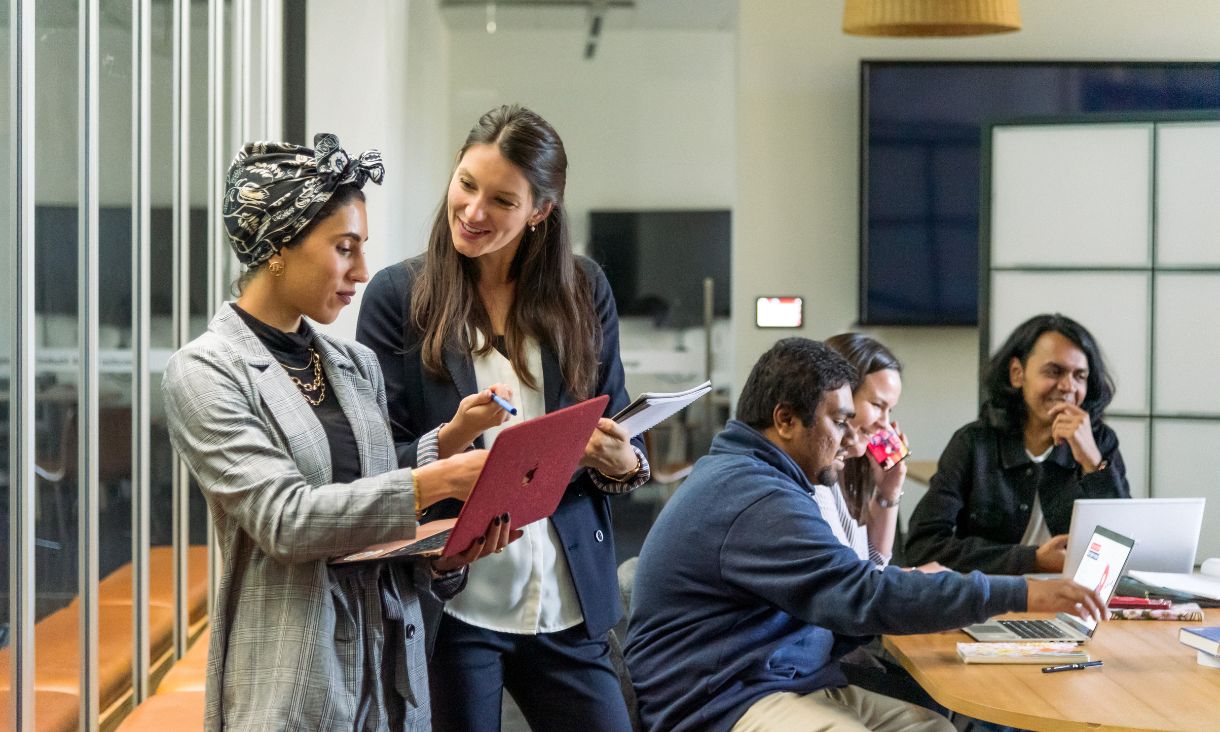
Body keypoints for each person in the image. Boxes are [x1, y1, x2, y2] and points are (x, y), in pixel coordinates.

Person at [163, 134, 517, 730]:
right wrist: (434, 482)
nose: (362, 270)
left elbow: (373, 505)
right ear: (277, 246)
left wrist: (442, 552)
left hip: (392, 680)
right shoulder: (205, 371)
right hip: (294, 682)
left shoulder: (354, 365)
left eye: (362, 248)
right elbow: (286, 520)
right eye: (344, 248)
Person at [624, 337, 1105, 732]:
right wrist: (1019, 593)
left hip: (780, 677)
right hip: (722, 701)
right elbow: (861, 593)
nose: (850, 436)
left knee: (935, 728)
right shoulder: (756, 496)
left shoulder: (766, 478)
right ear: (785, 420)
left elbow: (859, 582)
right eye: (839, 420)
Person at [356, 105, 648, 731]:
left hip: (566, 597)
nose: (473, 211)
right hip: (455, 600)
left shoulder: (584, 290)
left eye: (502, 200)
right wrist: (452, 440)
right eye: (466, 184)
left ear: (541, 212)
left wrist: (626, 463)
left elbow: (612, 424)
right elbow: (376, 463)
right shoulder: (399, 297)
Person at [905, 313, 1130, 575]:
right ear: (1017, 374)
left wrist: (1093, 463)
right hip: (990, 601)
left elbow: (1122, 549)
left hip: (1074, 601)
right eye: (1054, 371)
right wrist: (1031, 559)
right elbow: (923, 547)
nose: (1068, 386)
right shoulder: (973, 444)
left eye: (1080, 376)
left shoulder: (1100, 442)